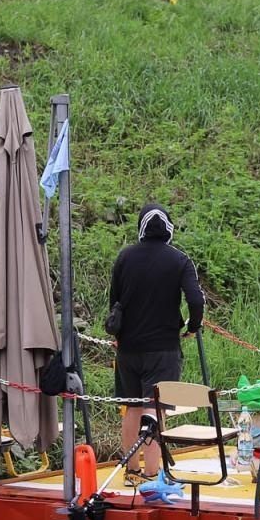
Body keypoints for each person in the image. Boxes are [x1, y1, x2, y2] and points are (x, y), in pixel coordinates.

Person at [108, 203, 204, 483]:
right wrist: (193, 326)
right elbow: (196, 300)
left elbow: (114, 301)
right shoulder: (179, 259)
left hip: (128, 347)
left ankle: (132, 471)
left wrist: (118, 336)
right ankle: (152, 472)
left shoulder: (125, 257)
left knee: (132, 407)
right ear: (168, 228)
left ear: (141, 227)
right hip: (163, 347)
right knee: (155, 407)